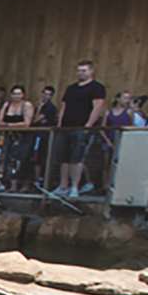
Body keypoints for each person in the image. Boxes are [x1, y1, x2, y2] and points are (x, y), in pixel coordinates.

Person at [53, 60, 106, 195]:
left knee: (77, 158)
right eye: (79, 70)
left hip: (81, 127)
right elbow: (64, 106)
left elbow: (98, 107)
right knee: (63, 158)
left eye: (84, 70)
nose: (81, 73)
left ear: (91, 71)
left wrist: (88, 125)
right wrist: (59, 123)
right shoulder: (71, 88)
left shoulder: (96, 87)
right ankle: (63, 185)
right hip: (66, 127)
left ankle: (75, 186)